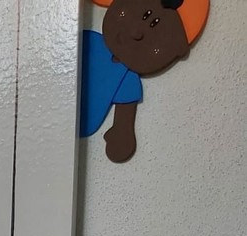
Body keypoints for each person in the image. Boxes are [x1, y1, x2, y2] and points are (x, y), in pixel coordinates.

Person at [80, 0, 209, 162]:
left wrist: (121, 134)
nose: (136, 33)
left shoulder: (127, 81)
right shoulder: (85, 41)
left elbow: (123, 125)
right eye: (144, 15)